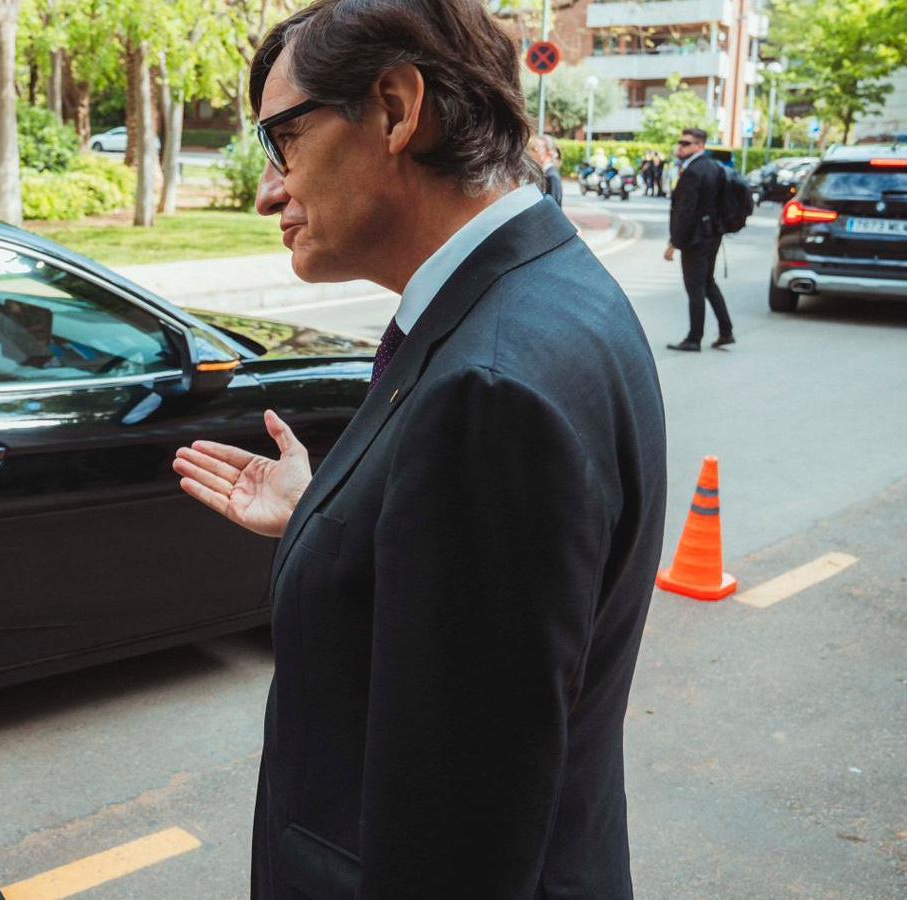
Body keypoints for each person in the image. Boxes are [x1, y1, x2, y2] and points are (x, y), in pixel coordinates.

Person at [171, 1, 667, 896]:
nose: (269, 188)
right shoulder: (545, 287)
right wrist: (331, 517)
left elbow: (456, 830)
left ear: (398, 109)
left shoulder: (488, 388)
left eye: (282, 138)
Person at [665, 126, 734, 350]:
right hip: (712, 234)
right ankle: (726, 331)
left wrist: (674, 243)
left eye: (686, 143)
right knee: (708, 283)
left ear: (699, 146)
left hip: (696, 238)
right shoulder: (714, 167)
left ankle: (694, 338)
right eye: (680, 142)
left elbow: (686, 211)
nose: (680, 147)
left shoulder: (694, 171)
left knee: (695, 287)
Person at [528, 134, 561, 205]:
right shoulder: (545, 174)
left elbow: (552, 208)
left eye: (535, 149)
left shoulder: (551, 177)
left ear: (548, 152)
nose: (530, 153)